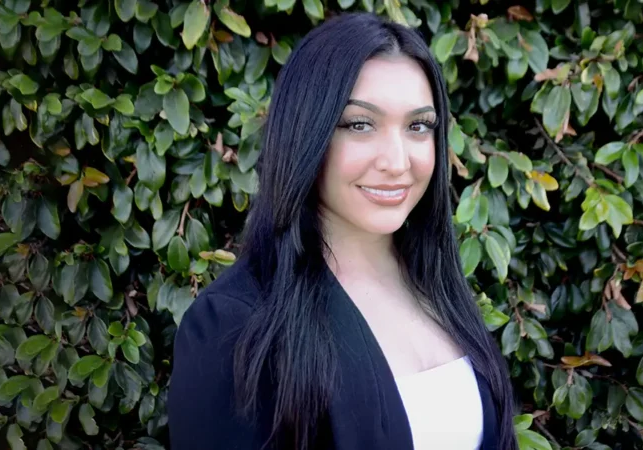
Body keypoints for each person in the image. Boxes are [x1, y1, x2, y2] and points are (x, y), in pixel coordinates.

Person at [167, 12, 518, 450]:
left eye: (418, 126)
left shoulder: (436, 284)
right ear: (306, 135)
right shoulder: (236, 325)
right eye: (360, 124)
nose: (397, 161)